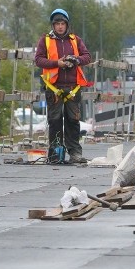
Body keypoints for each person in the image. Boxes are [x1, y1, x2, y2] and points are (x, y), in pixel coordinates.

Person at [34, 9, 92, 164]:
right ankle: (55, 153)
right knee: (55, 121)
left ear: (67, 25)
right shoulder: (45, 40)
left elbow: (87, 57)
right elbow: (38, 60)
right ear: (53, 25)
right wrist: (56, 63)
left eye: (62, 24)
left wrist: (76, 59)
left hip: (73, 88)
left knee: (73, 121)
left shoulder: (75, 40)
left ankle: (75, 153)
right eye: (57, 24)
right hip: (54, 88)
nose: (60, 27)